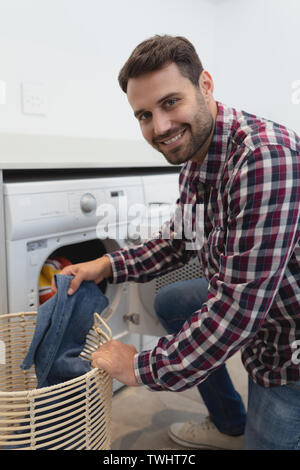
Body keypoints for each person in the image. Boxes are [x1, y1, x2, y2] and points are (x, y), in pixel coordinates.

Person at [53, 35, 300, 450]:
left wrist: (142, 368)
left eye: (170, 103)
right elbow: (178, 241)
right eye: (144, 115)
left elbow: (238, 311)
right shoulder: (198, 156)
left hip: (288, 336)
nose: (160, 127)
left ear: (205, 84)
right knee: (172, 302)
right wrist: (106, 265)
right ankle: (227, 421)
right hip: (256, 295)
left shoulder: (264, 159)